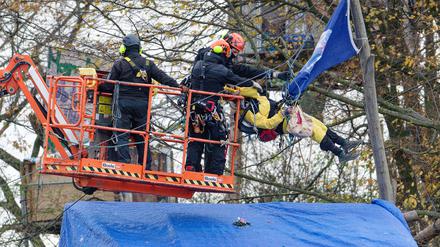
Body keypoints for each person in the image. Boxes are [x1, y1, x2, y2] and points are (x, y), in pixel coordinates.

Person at [225, 85, 361, 163]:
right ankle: (339, 154)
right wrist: (281, 114)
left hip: (288, 114)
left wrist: (235, 89)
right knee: (313, 130)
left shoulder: (255, 99)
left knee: (318, 124)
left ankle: (343, 143)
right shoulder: (248, 112)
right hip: (284, 124)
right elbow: (266, 124)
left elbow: (252, 91)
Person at [185, 40, 260, 175]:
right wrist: (252, 83)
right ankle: (215, 171)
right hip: (211, 110)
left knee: (195, 139)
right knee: (220, 138)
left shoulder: (197, 65)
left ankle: (191, 166)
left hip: (195, 109)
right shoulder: (221, 70)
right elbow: (237, 79)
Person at [108, 34, 182, 169]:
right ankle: (145, 167)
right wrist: (178, 86)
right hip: (143, 107)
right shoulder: (148, 64)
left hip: (124, 105)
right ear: (139, 48)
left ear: (124, 48)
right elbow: (162, 77)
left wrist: (97, 86)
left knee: (122, 134)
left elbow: (109, 85)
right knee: (142, 136)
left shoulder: (119, 64)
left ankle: (124, 164)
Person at [182, 32, 291, 88]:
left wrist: (273, 74)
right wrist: (250, 83)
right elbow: (231, 76)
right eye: (234, 51)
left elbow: (244, 70)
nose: (235, 55)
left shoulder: (219, 60)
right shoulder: (214, 62)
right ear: (227, 46)